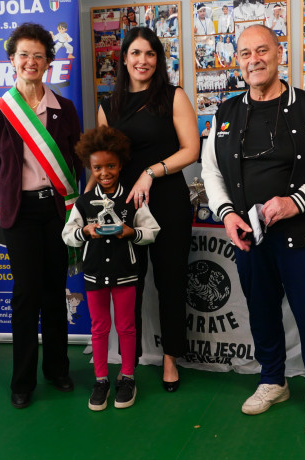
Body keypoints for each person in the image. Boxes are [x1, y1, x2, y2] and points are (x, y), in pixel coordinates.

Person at [200, 25, 305, 440]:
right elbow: (211, 172)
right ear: (238, 61)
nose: (254, 60)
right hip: (251, 237)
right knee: (262, 313)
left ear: (279, 54)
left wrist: (296, 201)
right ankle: (273, 380)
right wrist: (226, 214)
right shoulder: (226, 113)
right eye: (246, 53)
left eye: (262, 50)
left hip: (304, 235)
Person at [0, 23, 82, 409]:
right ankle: (21, 380)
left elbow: (76, 159)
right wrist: (13, 196)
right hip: (21, 213)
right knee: (26, 294)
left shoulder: (64, 109)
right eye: (24, 54)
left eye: (38, 55)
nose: (31, 61)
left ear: (48, 62)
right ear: (12, 59)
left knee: (55, 290)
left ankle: (57, 369)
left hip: (57, 210)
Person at [97, 27, 199, 392]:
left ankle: (171, 359)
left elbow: (191, 150)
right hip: (124, 206)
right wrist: (89, 202)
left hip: (168, 200)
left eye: (151, 54)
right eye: (136, 53)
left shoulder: (173, 96)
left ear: (158, 59)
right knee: (129, 286)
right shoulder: (108, 105)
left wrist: (150, 173)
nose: (143, 60)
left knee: (171, 282)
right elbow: (102, 160)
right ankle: (130, 361)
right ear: (124, 59)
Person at [63, 126, 161, 411]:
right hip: (94, 273)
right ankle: (101, 380)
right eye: (98, 168)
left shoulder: (131, 198)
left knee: (127, 326)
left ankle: (128, 377)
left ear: (120, 165)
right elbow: (67, 235)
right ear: (90, 167)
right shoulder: (83, 203)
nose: (105, 172)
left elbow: (153, 230)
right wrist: (85, 231)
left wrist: (132, 233)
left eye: (111, 166)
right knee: (99, 327)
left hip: (125, 272)